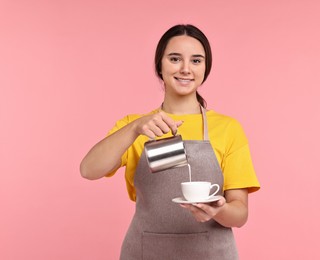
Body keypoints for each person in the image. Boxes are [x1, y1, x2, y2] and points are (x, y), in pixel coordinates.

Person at [80, 24, 260, 260]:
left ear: (205, 68)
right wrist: (134, 129)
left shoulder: (228, 128)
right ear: (160, 65)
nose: (185, 69)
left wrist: (220, 210)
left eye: (196, 61)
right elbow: (88, 170)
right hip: (145, 252)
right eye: (175, 59)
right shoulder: (137, 126)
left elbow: (240, 213)